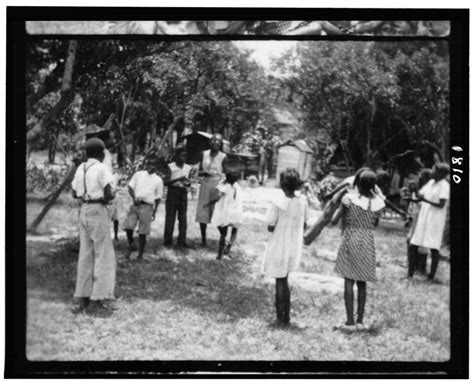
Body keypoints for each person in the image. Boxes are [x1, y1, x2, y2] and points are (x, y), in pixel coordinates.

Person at [332, 170, 385, 331]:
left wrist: (343, 208)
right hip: (368, 241)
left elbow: (334, 220)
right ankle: (360, 321)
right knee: (362, 282)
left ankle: (349, 322)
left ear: (358, 184)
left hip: (351, 238)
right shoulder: (378, 203)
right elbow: (375, 224)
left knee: (349, 279)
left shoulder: (349, 200)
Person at [70, 138, 116, 314]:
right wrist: (111, 193)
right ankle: (97, 298)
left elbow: (74, 193)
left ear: (87, 153)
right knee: (103, 254)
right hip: (97, 209)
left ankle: (83, 298)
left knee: (85, 255)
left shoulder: (81, 168)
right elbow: (109, 193)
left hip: (84, 209)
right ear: (103, 153)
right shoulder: (103, 168)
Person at [262, 168, 308, 328]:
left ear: (282, 185)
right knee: (285, 279)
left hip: (279, 246)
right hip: (293, 247)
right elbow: (305, 222)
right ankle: (286, 317)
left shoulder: (278, 203)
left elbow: (270, 225)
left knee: (279, 281)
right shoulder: (302, 201)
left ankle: (280, 319)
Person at [407, 163, 450, 281]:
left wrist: (424, 199)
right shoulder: (431, 183)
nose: (431, 172)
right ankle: (409, 274)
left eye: (433, 170)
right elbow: (420, 195)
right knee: (414, 244)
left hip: (435, 220)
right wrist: (414, 189)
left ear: (440, 173)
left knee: (433, 248)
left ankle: (431, 276)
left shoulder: (444, 186)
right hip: (424, 218)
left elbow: (441, 205)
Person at [123, 157, 163, 261]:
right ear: (146, 164)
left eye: (153, 165)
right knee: (128, 225)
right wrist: (134, 197)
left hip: (147, 206)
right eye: (149, 164)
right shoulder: (139, 174)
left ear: (157, 167)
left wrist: (154, 211)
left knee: (143, 232)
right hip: (136, 204)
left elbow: (158, 198)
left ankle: (140, 255)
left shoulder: (158, 180)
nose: (151, 167)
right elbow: (130, 187)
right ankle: (131, 244)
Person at [195, 133, 227, 247]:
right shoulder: (204, 154)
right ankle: (203, 240)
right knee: (203, 212)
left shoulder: (223, 157)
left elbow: (226, 173)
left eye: (218, 141)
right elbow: (199, 171)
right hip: (205, 184)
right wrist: (204, 173)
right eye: (214, 140)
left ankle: (223, 240)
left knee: (217, 212)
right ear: (210, 142)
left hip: (217, 186)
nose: (216, 143)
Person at [207, 171, 243, 260]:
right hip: (236, 211)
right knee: (234, 230)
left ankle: (220, 254)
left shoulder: (225, 187)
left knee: (223, 233)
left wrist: (209, 203)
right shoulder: (237, 186)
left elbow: (218, 197)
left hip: (226, 212)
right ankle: (228, 247)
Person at [163, 146, 192, 248]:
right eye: (182, 156)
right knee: (170, 217)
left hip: (183, 192)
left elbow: (189, 181)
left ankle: (182, 241)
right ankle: (167, 241)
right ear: (176, 156)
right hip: (173, 191)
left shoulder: (188, 168)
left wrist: (187, 183)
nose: (184, 158)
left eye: (185, 156)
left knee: (183, 218)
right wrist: (178, 179)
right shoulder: (171, 167)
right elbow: (165, 182)